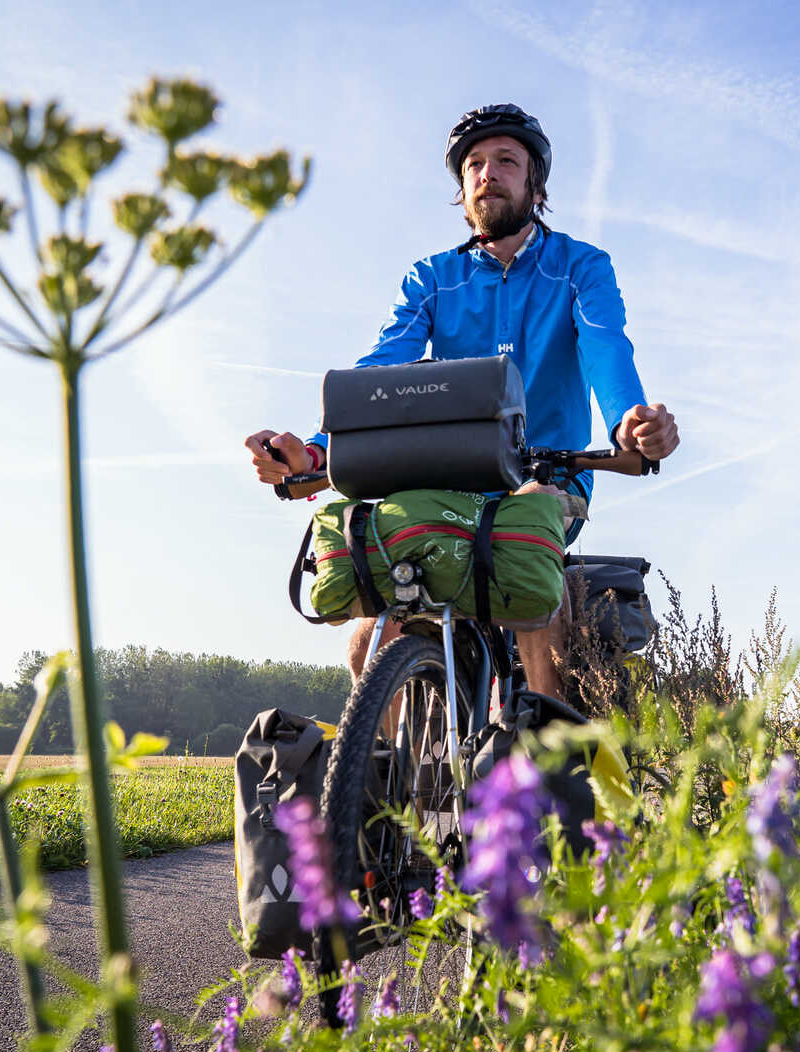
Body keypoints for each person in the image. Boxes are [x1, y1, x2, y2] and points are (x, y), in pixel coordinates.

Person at [246, 103, 679, 700]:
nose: (487, 173)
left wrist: (630, 422)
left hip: (545, 478)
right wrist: (316, 453)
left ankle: (540, 753)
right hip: (447, 485)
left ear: (535, 183)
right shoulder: (431, 278)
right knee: (370, 637)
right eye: (474, 164)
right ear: (462, 187)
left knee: (532, 577)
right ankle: (389, 787)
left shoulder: (580, 267)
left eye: (506, 160)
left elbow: (606, 348)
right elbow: (381, 369)